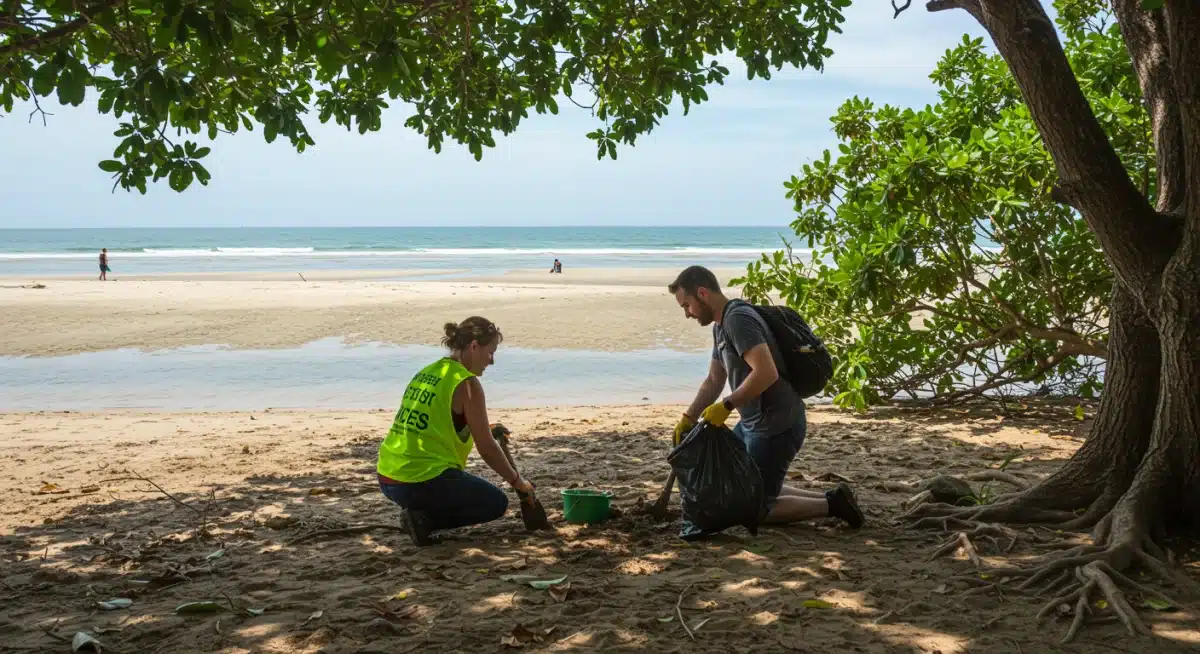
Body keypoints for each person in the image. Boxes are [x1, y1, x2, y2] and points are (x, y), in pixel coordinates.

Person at [668, 265, 864, 528]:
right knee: (740, 485)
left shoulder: (737, 320)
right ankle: (835, 497)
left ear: (702, 293)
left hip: (777, 425)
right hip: (752, 424)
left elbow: (766, 373)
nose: (686, 314)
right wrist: (688, 417)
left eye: (687, 305)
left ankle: (833, 506)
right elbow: (715, 379)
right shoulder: (721, 326)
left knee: (756, 508)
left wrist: (726, 405)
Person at [376, 316, 537, 545]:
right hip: (419, 481)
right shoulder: (467, 383)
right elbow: (487, 448)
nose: (491, 361)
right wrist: (518, 482)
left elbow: (437, 419)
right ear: (473, 347)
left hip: (388, 477)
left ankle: (419, 513)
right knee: (495, 503)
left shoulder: (429, 372)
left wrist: (487, 428)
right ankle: (424, 520)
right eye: (490, 352)